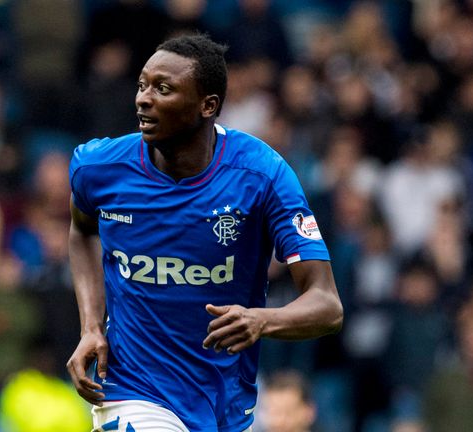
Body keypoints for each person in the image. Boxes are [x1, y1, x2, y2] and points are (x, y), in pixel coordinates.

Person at [66, 33, 343, 431]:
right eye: (142, 85)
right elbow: (82, 230)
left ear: (207, 105)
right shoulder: (98, 168)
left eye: (163, 89)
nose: (144, 98)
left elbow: (327, 304)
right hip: (133, 389)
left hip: (224, 401)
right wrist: (92, 326)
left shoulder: (262, 176)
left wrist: (262, 320)